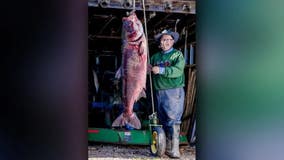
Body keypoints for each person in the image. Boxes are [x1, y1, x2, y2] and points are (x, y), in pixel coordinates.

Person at [150, 30, 185, 158]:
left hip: (173, 91)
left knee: (172, 119)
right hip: (159, 91)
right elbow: (149, 69)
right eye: (163, 40)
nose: (166, 42)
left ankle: (174, 150)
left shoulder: (177, 55)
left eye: (169, 40)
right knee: (163, 120)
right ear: (160, 43)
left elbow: (178, 71)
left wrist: (160, 69)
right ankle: (164, 148)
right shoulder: (155, 57)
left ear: (172, 42)